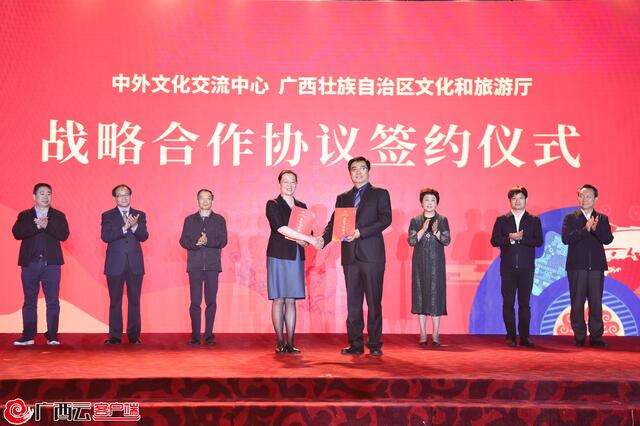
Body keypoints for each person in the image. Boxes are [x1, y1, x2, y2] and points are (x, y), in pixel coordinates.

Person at [319, 156, 392, 357]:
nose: (358, 172)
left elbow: (386, 219)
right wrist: (321, 241)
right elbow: (334, 223)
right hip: (350, 257)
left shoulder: (380, 194)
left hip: (372, 256)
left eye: (362, 168)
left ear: (368, 170)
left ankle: (375, 344)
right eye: (354, 169)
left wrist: (361, 232)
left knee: (374, 302)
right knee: (353, 303)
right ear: (349, 173)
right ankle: (355, 344)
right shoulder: (343, 197)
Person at [266, 170, 320, 353]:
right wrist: (307, 239)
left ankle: (290, 342)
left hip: (295, 255)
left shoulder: (301, 206)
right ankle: (280, 342)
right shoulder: (273, 204)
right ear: (279, 184)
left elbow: (308, 232)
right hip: (278, 255)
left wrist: (306, 240)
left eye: (293, 181)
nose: (289, 185)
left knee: (291, 300)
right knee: (278, 299)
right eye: (285, 181)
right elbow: (280, 228)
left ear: (296, 184)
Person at [12, 183, 70, 346]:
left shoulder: (58, 215)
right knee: (29, 301)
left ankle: (52, 335)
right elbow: (17, 233)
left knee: (53, 301)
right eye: (42, 193)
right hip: (30, 264)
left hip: (51, 264)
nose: (45, 196)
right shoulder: (25, 215)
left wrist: (47, 226)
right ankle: (28, 335)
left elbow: (64, 235)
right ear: (34, 196)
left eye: (48, 193)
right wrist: (37, 226)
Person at [561, 184, 613, 348]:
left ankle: (596, 336)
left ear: (595, 199)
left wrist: (596, 229)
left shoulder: (602, 218)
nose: (585, 199)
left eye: (589, 196)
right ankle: (579, 336)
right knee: (577, 302)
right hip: (577, 267)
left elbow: (608, 239)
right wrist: (585, 229)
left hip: (596, 267)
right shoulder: (570, 218)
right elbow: (566, 239)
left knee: (596, 302)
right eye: (582, 196)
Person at [490, 186, 542, 347]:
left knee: (524, 304)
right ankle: (511, 336)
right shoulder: (502, 220)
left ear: (526, 200)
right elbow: (494, 241)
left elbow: (538, 241)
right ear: (510, 201)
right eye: (514, 198)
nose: (517, 201)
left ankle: (525, 337)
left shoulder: (533, 220)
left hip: (527, 268)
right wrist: (510, 239)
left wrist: (521, 239)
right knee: (508, 303)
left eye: (520, 198)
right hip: (508, 268)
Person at [101, 184, 148, 345]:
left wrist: (134, 226)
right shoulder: (107, 215)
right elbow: (105, 237)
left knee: (134, 301)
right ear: (115, 198)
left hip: (135, 264)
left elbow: (144, 236)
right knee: (115, 301)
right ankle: (114, 336)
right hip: (115, 265)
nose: (124, 197)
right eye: (120, 195)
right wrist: (124, 228)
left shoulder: (139, 214)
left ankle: (134, 336)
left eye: (126, 194)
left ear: (131, 196)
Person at [179, 189, 228, 346]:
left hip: (213, 266)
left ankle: (209, 335)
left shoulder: (219, 220)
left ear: (212, 200)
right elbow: (183, 241)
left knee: (211, 301)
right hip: (195, 266)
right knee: (195, 302)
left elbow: (223, 241)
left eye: (208, 198)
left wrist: (207, 241)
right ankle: (195, 336)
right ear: (197, 200)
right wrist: (196, 243)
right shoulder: (190, 220)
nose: (205, 201)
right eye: (202, 198)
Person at [407, 188, 450, 347]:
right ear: (421, 203)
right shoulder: (415, 220)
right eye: (426, 200)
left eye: (433, 200)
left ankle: (436, 333)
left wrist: (436, 232)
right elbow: (411, 241)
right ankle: (423, 333)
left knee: (436, 297)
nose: (429, 203)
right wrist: (423, 229)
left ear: (437, 203)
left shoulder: (442, 220)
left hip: (436, 264)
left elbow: (446, 240)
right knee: (420, 297)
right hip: (419, 264)